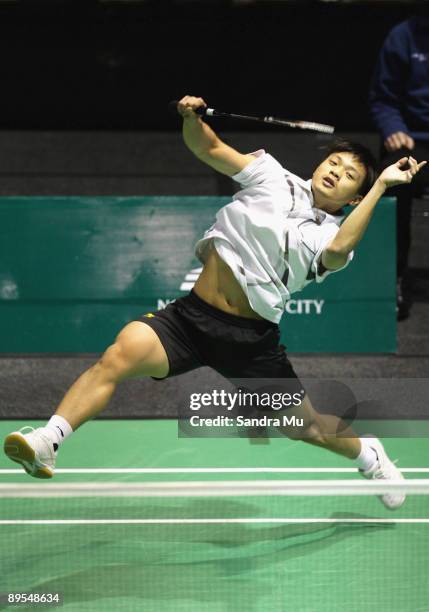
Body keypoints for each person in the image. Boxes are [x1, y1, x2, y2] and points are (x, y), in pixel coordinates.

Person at [4, 95, 426, 510]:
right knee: (119, 354)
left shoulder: (332, 234)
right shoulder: (271, 176)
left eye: (350, 174)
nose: (336, 171)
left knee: (306, 427)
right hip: (189, 319)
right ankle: (49, 440)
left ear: (355, 197)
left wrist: (384, 185)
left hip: (250, 340)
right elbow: (208, 147)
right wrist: (191, 117)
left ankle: (369, 456)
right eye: (334, 162)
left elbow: (337, 248)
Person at [369, 10, 429, 319]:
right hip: (412, 138)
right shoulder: (403, 36)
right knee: (395, 180)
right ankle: (392, 277)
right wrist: (393, 128)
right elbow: (383, 98)